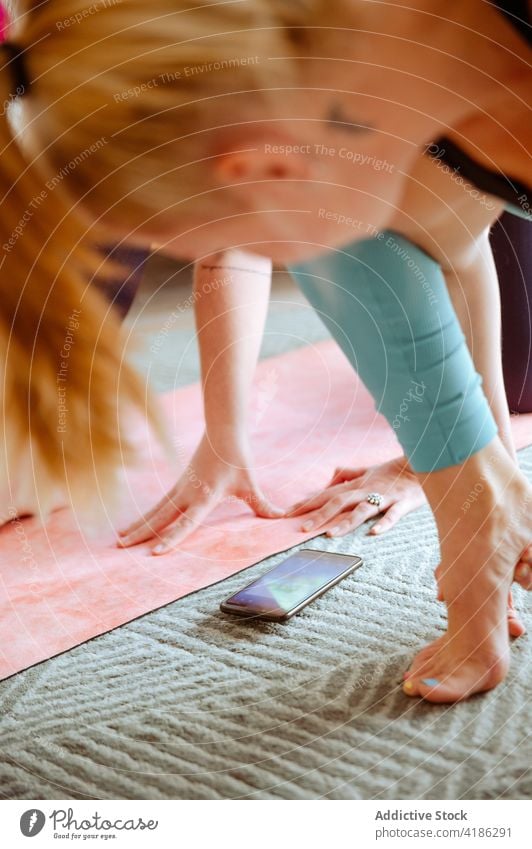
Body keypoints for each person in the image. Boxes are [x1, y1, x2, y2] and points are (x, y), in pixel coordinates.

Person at [0, 0, 530, 703]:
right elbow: (448, 238)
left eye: (206, 237)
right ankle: (487, 507)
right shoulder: (372, 80)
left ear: (264, 164)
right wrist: (482, 473)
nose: (225, 256)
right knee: (347, 234)